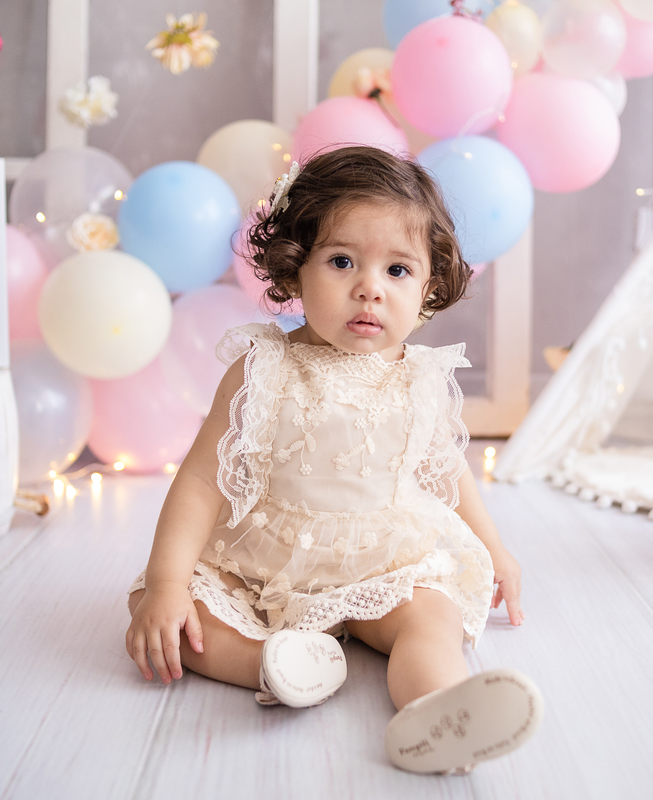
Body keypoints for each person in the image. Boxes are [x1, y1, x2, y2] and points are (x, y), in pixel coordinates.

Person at [125, 146, 542, 774]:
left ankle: (439, 710)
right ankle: (279, 666)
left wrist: (495, 549)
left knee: (431, 616)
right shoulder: (264, 367)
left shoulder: (419, 376)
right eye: (342, 261)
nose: (369, 288)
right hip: (263, 564)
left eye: (397, 270)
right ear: (295, 270)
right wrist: (167, 584)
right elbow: (204, 479)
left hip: (381, 559)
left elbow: (447, 470)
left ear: (429, 288)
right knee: (170, 618)